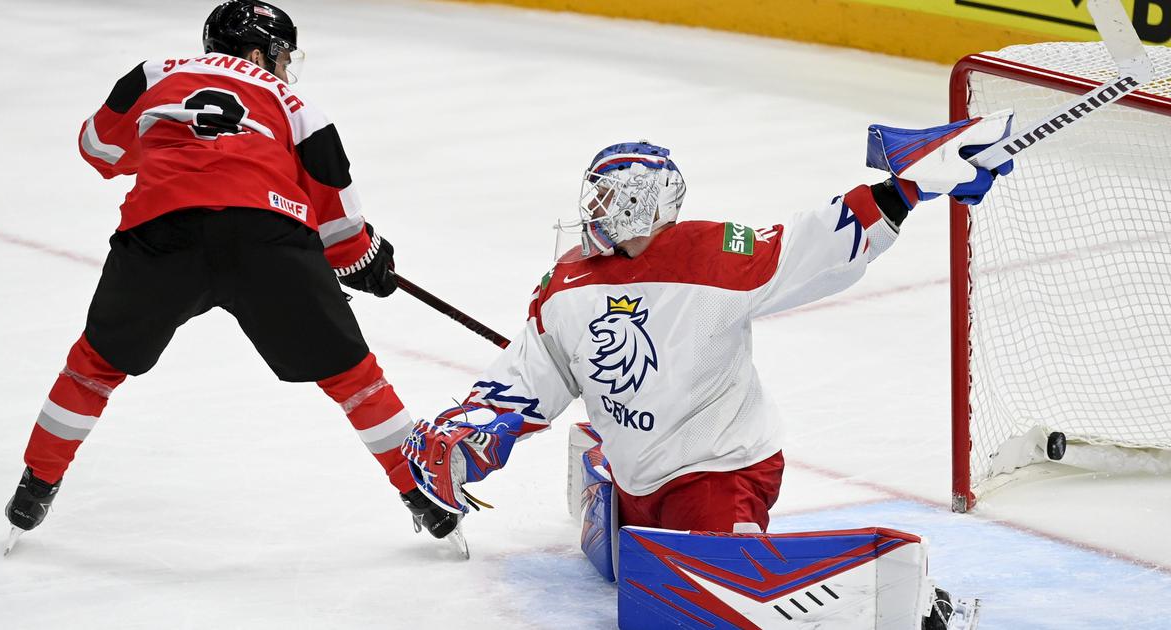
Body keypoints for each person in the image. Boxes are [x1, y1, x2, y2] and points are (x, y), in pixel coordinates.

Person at [401, 116, 1013, 535]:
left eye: (608, 200)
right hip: (638, 476)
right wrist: (475, 431)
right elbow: (537, 373)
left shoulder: (713, 256)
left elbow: (810, 246)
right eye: (593, 198)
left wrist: (904, 188)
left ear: (643, 202)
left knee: (715, 584)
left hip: (722, 470)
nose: (594, 212)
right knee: (650, 553)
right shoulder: (569, 282)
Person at [4, 0, 456, 551]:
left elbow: (98, 148)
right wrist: (365, 261)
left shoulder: (155, 73)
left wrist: (166, 148)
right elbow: (336, 211)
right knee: (354, 377)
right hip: (265, 235)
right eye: (282, 56)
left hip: (161, 228)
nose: (286, 68)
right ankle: (424, 497)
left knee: (93, 366)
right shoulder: (294, 103)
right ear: (258, 52)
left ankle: (35, 488)